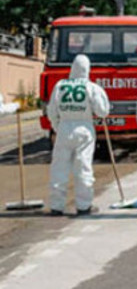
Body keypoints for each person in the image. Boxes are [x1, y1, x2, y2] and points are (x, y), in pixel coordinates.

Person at [46, 55, 110, 216]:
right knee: (83, 166)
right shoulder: (91, 87)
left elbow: (51, 111)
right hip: (84, 128)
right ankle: (83, 206)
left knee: (59, 167)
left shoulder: (60, 86)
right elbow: (102, 111)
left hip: (64, 128)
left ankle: (56, 206)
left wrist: (57, 127)